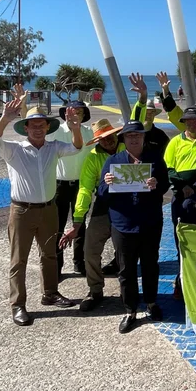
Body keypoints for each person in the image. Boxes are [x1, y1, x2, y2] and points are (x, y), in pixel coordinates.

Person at [0, 101, 82, 326]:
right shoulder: (14, 149)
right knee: (18, 260)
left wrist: (76, 128)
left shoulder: (54, 147)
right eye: (33, 125)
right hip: (22, 211)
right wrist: (5, 118)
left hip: (49, 209)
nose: (38, 128)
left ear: (48, 127)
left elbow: (77, 147)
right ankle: (18, 305)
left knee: (49, 254)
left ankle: (50, 293)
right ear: (26, 128)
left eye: (42, 125)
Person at [97, 120, 170, 333]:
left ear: (144, 137)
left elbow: (165, 186)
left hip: (150, 222)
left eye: (138, 135)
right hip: (122, 224)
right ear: (124, 139)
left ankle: (151, 303)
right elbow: (101, 193)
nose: (134, 138)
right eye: (129, 136)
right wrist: (108, 183)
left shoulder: (155, 160)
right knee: (126, 269)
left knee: (150, 265)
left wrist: (157, 186)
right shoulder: (113, 162)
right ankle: (130, 310)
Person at [60, 118, 125, 311]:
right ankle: (95, 290)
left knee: (125, 251)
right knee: (90, 250)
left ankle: (126, 290)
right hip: (104, 206)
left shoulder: (128, 149)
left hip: (129, 207)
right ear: (97, 141)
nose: (107, 141)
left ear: (115, 134)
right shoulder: (92, 158)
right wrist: (77, 221)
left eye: (109, 136)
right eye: (102, 139)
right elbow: (85, 190)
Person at [44, 99, 94, 277]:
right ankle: (57, 265)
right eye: (72, 111)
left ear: (84, 115)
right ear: (65, 113)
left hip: (82, 184)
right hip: (59, 184)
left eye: (79, 112)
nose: (75, 115)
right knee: (56, 226)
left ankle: (79, 262)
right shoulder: (55, 131)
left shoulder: (90, 132)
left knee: (79, 224)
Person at [127, 74, 170, 157]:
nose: (148, 115)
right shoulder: (130, 134)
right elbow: (140, 106)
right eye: (146, 112)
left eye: (151, 112)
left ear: (155, 114)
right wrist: (143, 95)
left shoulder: (161, 136)